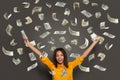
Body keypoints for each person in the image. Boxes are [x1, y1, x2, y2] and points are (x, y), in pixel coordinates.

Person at [23, 37, 99, 80]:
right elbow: (40, 54)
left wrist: (94, 43)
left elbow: (84, 55)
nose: (59, 57)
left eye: (61, 55)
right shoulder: (52, 66)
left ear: (64, 56)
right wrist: (29, 44)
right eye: (57, 55)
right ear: (55, 57)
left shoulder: (70, 65)